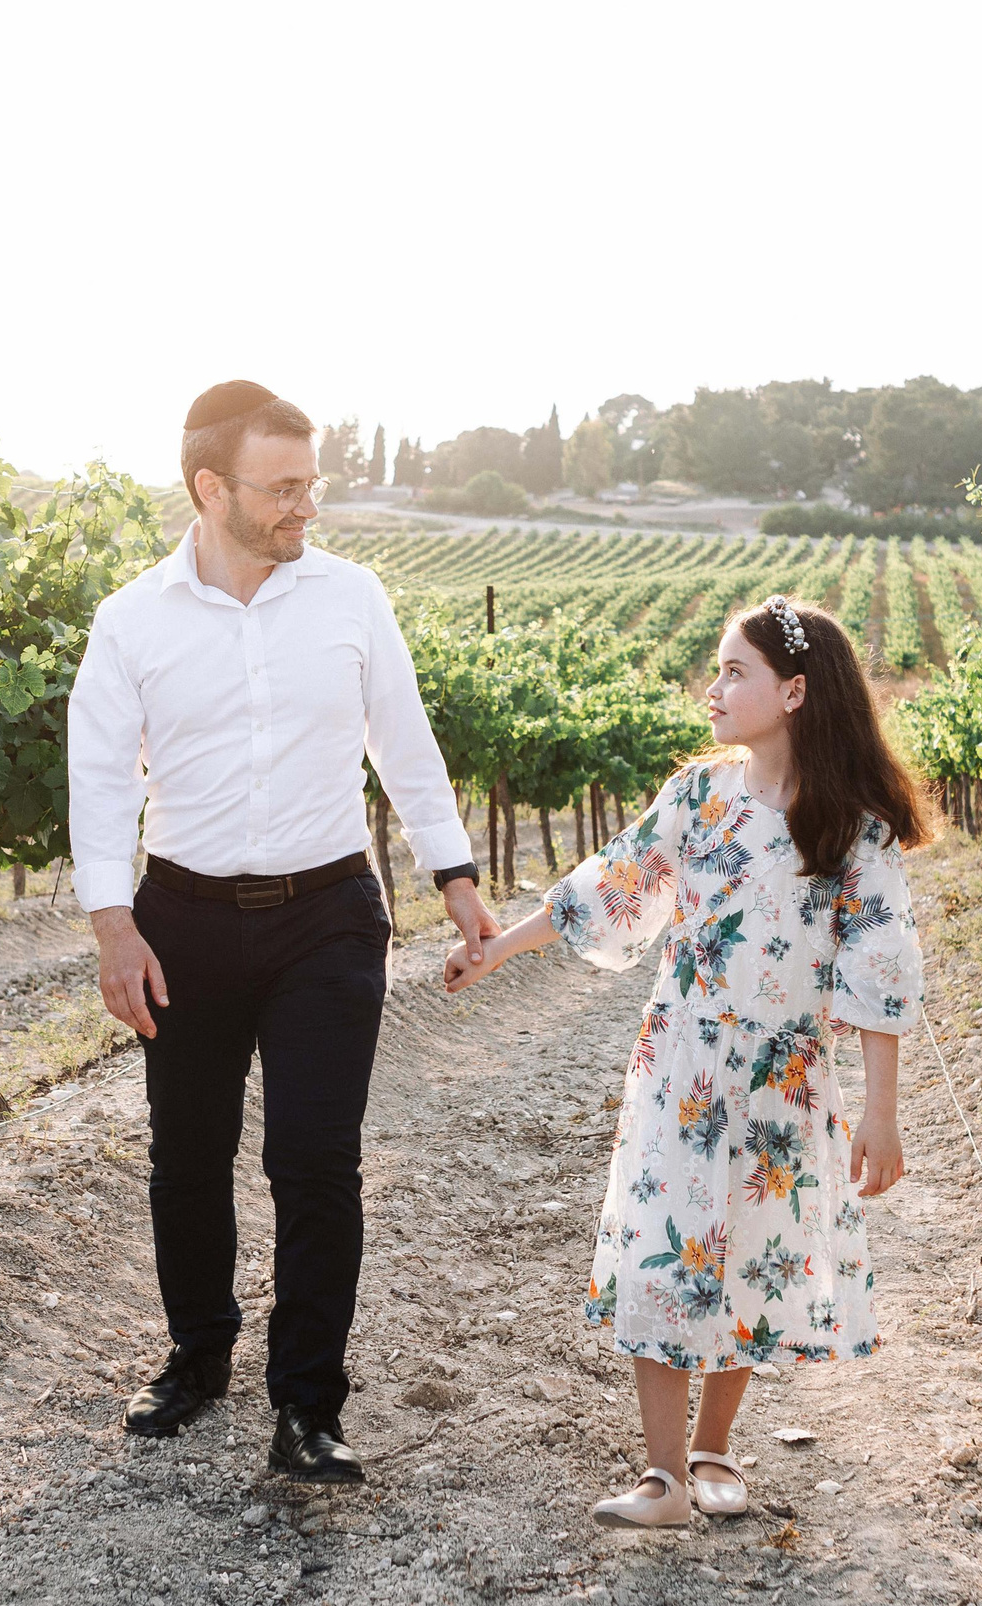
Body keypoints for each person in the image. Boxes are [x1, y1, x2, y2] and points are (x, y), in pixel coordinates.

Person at [69, 380, 499, 1482]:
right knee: (188, 1157)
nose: (306, 504)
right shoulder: (131, 622)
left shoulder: (351, 599)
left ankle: (307, 1404)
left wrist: (452, 875)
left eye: (312, 483)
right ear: (212, 488)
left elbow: (405, 744)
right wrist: (115, 929)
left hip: (328, 919)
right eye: (284, 486)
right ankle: (197, 1358)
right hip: (183, 920)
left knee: (317, 1163)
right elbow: (100, 785)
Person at [444, 595, 929, 1526]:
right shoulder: (698, 797)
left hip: (784, 1081)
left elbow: (880, 967)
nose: (713, 689)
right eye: (716, 669)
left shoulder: (850, 827)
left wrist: (881, 1110)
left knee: (749, 1251)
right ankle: (662, 1476)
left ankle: (714, 1449)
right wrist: (496, 948)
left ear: (793, 691)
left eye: (733, 671)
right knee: (667, 1245)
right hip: (682, 1067)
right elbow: (611, 887)